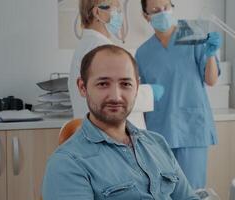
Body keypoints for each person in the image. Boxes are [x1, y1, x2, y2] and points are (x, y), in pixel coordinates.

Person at [42, 44, 200, 200]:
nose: (116, 96)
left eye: (125, 84)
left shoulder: (157, 143)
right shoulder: (67, 164)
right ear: (83, 87)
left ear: (137, 87)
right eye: (103, 84)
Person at [135, 0, 222, 189]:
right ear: (145, 15)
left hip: (191, 128)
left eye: (166, 7)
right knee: (164, 190)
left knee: (192, 190)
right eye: (156, 10)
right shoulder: (142, 53)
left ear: (172, 7)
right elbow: (140, 95)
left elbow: (211, 80)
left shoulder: (191, 33)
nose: (163, 13)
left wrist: (210, 55)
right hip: (159, 129)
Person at [69, 0, 160, 129]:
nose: (119, 15)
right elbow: (116, 94)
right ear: (97, 12)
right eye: (116, 10)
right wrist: (150, 92)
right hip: (106, 130)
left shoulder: (89, 44)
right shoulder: (100, 49)